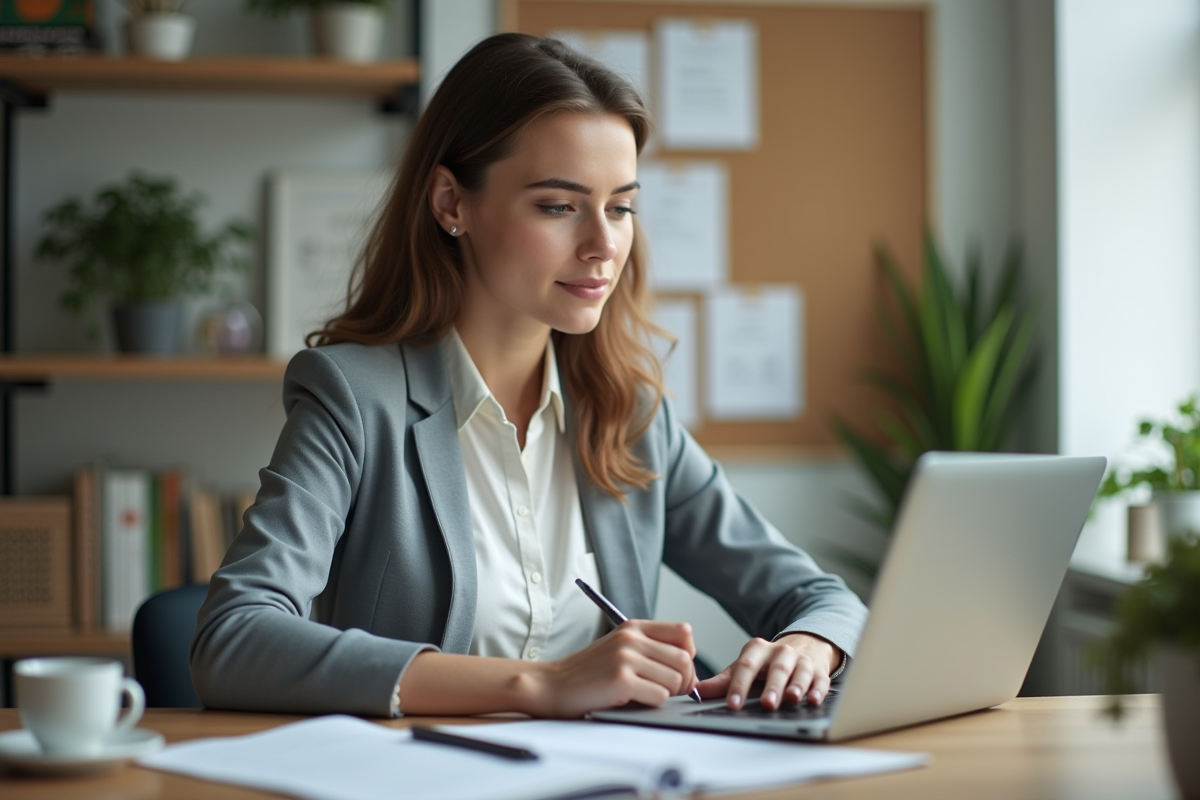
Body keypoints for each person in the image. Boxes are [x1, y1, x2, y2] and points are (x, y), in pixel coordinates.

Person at [190, 33, 868, 719]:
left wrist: (810, 645)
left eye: (621, 207)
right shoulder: (355, 399)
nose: (603, 245)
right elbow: (232, 638)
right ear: (451, 203)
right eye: (558, 206)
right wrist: (539, 684)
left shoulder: (630, 415)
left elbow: (824, 600)